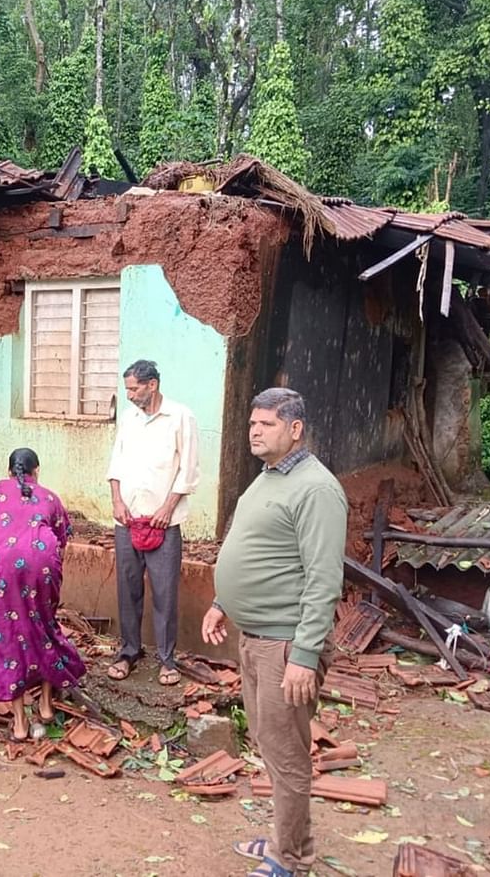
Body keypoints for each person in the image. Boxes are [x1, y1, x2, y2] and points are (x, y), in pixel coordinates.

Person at [201, 387, 347, 877]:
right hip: (256, 636)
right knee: (268, 741)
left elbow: (324, 579)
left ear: (295, 429)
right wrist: (223, 602)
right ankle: (287, 839)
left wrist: (305, 654)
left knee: (285, 755)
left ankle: (292, 860)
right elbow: (261, 552)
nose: (255, 431)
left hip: (285, 645)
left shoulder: (316, 489)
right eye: (251, 424)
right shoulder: (268, 478)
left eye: (265, 424)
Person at [0, 448, 87, 740]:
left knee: (7, 636)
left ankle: (19, 724)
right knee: (43, 627)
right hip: (44, 565)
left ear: (9, 472)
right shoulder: (50, 497)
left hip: (3, 566)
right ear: (36, 471)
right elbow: (61, 542)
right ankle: (44, 705)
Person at [105, 359, 199, 686]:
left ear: (152, 385)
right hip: (127, 521)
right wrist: (117, 501)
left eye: (134, 388)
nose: (129, 394)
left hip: (164, 523)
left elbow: (189, 471)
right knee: (127, 589)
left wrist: (167, 508)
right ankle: (129, 651)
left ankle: (167, 659)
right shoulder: (129, 421)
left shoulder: (180, 417)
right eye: (127, 388)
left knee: (164, 592)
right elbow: (115, 464)